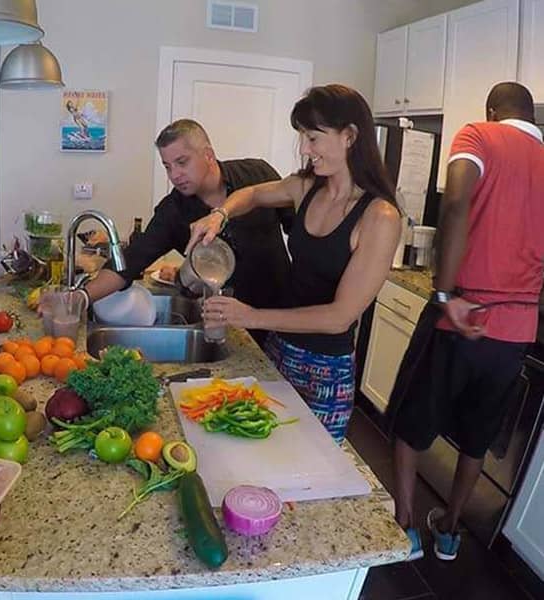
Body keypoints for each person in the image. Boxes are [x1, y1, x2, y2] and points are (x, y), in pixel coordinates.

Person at [187, 84, 402, 444]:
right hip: (277, 352)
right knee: (261, 456)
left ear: (349, 136)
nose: (305, 149)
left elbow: (339, 317)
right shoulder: (306, 188)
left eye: (313, 138)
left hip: (326, 373)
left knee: (309, 478)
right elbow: (254, 194)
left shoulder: (380, 217)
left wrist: (251, 316)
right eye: (302, 137)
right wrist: (219, 215)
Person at [390, 82, 544, 562]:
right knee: (479, 436)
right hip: (517, 330)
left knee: (412, 420)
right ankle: (451, 529)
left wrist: (443, 292)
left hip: (460, 315)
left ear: (492, 109)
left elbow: (455, 203)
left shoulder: (478, 134)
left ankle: (406, 526)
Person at [75, 119, 293, 346]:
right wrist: (81, 297)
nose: (175, 175)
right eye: (167, 166)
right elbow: (130, 261)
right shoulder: (173, 211)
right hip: (228, 327)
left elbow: (298, 232)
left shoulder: (257, 174)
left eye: (182, 162)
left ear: (208, 154)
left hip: (281, 319)